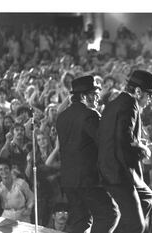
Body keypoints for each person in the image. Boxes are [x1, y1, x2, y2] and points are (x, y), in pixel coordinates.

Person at [56, 75, 119, 233]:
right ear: (83, 96)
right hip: (88, 179)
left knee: (81, 220)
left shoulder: (62, 116)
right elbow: (104, 143)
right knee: (109, 214)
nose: (97, 97)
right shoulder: (90, 115)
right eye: (94, 94)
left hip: (69, 180)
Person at [98, 70, 152, 233]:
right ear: (138, 92)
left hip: (109, 168)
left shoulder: (114, 103)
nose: (150, 100)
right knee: (136, 225)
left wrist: (137, 143)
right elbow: (124, 139)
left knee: (146, 197)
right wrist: (144, 149)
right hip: (118, 172)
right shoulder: (130, 104)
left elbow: (116, 136)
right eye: (149, 95)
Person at [0, 158, 34, 222]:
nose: (4, 171)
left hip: (22, 216)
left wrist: (29, 209)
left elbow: (31, 197)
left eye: (6, 168)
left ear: (10, 169)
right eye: (1, 169)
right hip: (7, 216)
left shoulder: (21, 183)